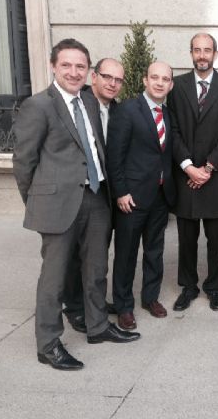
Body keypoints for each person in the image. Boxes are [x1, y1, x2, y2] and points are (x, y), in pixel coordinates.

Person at [12, 38, 140, 371]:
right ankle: (48, 343)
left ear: (89, 71)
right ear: (54, 66)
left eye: (80, 66)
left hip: (96, 198)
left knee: (97, 269)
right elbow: (23, 162)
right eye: (67, 65)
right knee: (54, 278)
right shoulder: (38, 106)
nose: (74, 71)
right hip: (58, 205)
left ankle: (97, 326)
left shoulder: (88, 100)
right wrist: (38, 201)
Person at [168, 32, 218, 312]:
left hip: (215, 178)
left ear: (215, 54)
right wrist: (188, 166)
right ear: (191, 54)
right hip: (186, 177)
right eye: (197, 50)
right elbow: (172, 130)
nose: (202, 55)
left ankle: (214, 287)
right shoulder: (177, 87)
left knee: (216, 240)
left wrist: (208, 167)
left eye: (207, 50)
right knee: (186, 240)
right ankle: (188, 287)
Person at [107, 62, 177, 330]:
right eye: (155, 77)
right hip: (132, 198)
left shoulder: (168, 114)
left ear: (170, 84)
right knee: (126, 254)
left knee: (154, 251)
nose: (160, 83)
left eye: (165, 79)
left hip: (159, 196)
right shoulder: (127, 111)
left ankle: (150, 298)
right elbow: (115, 156)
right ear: (144, 80)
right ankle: (124, 306)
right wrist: (121, 192)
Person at [62, 57, 124, 333]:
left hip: (105, 193)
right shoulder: (77, 106)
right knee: (75, 257)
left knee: (96, 255)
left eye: (118, 80)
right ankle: (75, 308)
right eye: (107, 77)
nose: (112, 83)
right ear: (94, 77)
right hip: (77, 194)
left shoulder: (118, 111)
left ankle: (94, 303)